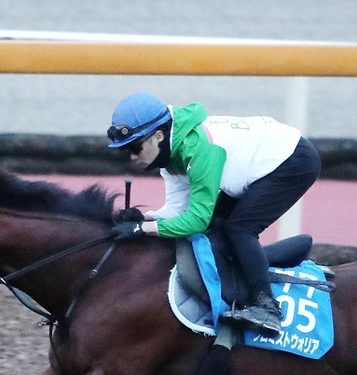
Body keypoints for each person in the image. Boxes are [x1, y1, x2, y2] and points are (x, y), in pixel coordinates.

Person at [106, 92, 321, 338]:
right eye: (126, 151)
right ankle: (271, 261)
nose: (132, 157)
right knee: (218, 227)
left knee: (239, 229)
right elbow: (179, 211)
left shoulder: (199, 150)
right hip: (262, 164)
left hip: (293, 161)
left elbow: (197, 219)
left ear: (158, 135)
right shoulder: (171, 154)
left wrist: (142, 230)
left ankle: (266, 308)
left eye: (135, 148)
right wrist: (143, 219)